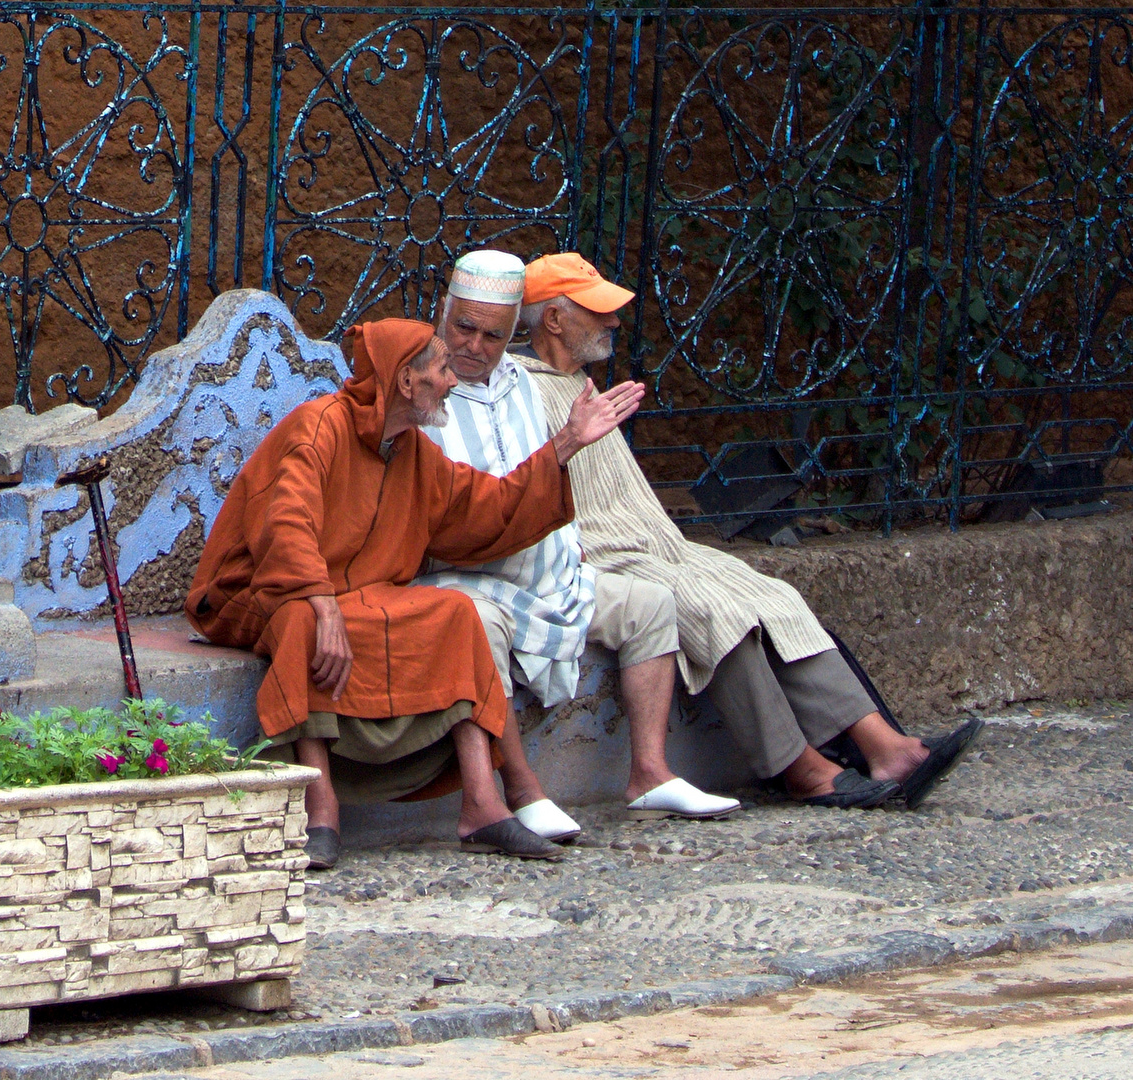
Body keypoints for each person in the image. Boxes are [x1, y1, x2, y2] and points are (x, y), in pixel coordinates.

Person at [516, 251, 984, 809]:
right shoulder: (517, 387)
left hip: (658, 543)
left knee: (773, 594)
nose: (614, 322)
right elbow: (517, 489)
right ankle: (800, 768)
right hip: (600, 554)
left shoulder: (581, 383)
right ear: (553, 319)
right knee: (715, 611)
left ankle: (887, 747)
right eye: (599, 312)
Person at [186, 317, 646, 868]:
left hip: (356, 594)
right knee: (302, 622)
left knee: (456, 613)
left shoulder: (413, 450)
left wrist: (566, 442)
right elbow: (286, 527)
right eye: (444, 368)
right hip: (261, 590)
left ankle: (481, 804)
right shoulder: (320, 427)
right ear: (407, 382)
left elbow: (487, 508)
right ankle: (320, 807)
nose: (454, 380)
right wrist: (322, 602)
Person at [417, 250, 743, 832]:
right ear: (444, 317)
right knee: (475, 623)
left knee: (649, 604)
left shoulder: (522, 384)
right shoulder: (421, 386)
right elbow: (457, 513)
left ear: (514, 329)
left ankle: (650, 774)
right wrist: (566, 444)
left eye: (493, 334)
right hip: (462, 572)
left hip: (544, 571)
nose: (474, 346)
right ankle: (520, 789)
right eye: (463, 327)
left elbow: (547, 491)